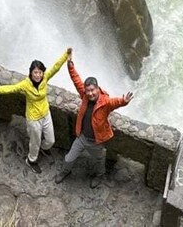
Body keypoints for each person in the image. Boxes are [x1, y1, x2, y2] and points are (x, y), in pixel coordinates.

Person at [0, 47, 71, 173]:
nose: (38, 75)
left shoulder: (45, 78)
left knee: (50, 141)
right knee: (35, 143)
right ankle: (31, 160)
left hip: (46, 114)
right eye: (35, 72)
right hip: (33, 119)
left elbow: (56, 67)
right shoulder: (25, 85)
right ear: (31, 73)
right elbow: (9, 89)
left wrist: (67, 54)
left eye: (40, 72)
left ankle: (43, 148)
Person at [54, 51, 134, 188]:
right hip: (82, 137)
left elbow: (115, 102)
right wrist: (70, 64)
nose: (90, 93)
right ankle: (65, 172)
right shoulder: (84, 95)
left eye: (92, 90)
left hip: (96, 141)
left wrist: (124, 101)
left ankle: (99, 176)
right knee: (69, 158)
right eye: (88, 90)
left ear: (97, 89)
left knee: (99, 161)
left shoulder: (105, 102)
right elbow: (76, 80)